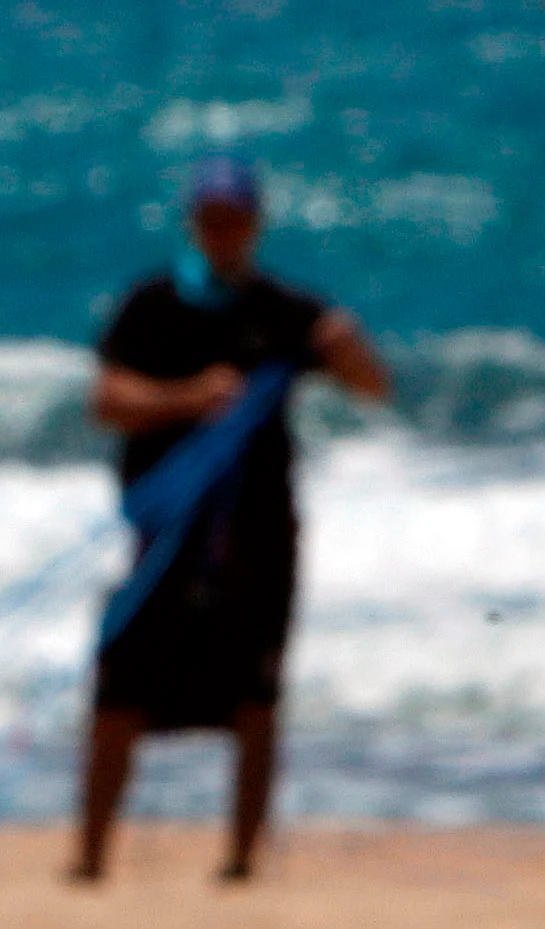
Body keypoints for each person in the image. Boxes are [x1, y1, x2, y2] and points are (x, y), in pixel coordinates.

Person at [73, 155, 389, 887]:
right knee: (121, 689)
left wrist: (349, 349)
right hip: (163, 535)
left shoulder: (286, 311)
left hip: (257, 537)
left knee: (255, 699)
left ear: (254, 224)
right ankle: (90, 857)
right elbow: (106, 400)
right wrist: (188, 399)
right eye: (210, 219)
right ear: (193, 223)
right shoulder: (152, 303)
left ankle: (242, 860)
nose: (222, 232)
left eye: (235, 219)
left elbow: (374, 388)